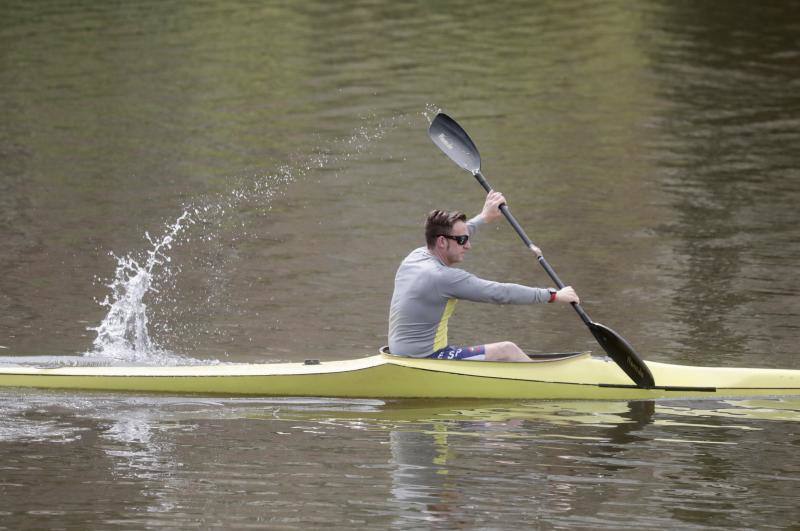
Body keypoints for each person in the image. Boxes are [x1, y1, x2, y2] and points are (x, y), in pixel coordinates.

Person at [388, 191, 580, 362]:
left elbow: (460, 232)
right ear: (441, 242)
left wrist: (484, 217)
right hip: (428, 358)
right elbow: (500, 293)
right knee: (508, 350)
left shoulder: (415, 256)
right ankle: (548, 384)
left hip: (399, 354)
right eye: (462, 241)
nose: (468, 246)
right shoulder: (444, 277)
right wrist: (553, 295)